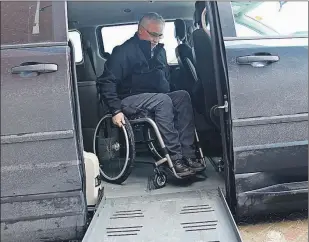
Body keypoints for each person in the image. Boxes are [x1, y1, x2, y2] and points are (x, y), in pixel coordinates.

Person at [98, 12, 205, 177]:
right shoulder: (124, 51)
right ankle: (175, 158)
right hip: (128, 100)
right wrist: (115, 110)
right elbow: (107, 81)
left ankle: (188, 155)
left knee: (182, 96)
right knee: (163, 101)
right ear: (141, 30)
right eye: (153, 34)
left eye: (160, 35)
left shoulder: (160, 52)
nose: (157, 39)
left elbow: (166, 79)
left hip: (156, 97)